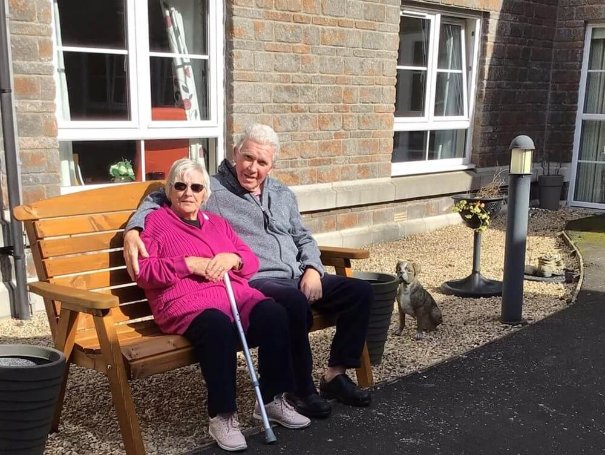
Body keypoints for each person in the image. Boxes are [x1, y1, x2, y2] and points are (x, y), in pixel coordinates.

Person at [124, 124, 373, 419]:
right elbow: (162, 196)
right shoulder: (211, 189)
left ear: (272, 165)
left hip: (297, 273)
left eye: (262, 162)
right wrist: (134, 228)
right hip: (258, 279)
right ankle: (301, 391)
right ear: (235, 154)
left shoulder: (282, 193)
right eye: (248, 158)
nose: (253, 168)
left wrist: (313, 269)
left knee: (360, 292)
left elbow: (303, 236)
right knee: (291, 304)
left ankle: (335, 374)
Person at [135, 158, 309, 452]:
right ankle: (223, 415)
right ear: (170, 190)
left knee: (274, 314)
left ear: (205, 194)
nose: (187, 192)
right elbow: (143, 272)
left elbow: (250, 262)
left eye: (195, 186)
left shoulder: (217, 224)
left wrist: (234, 259)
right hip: (185, 303)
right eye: (180, 185)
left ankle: (271, 399)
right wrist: (187, 264)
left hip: (233, 298)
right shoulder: (156, 223)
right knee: (217, 327)